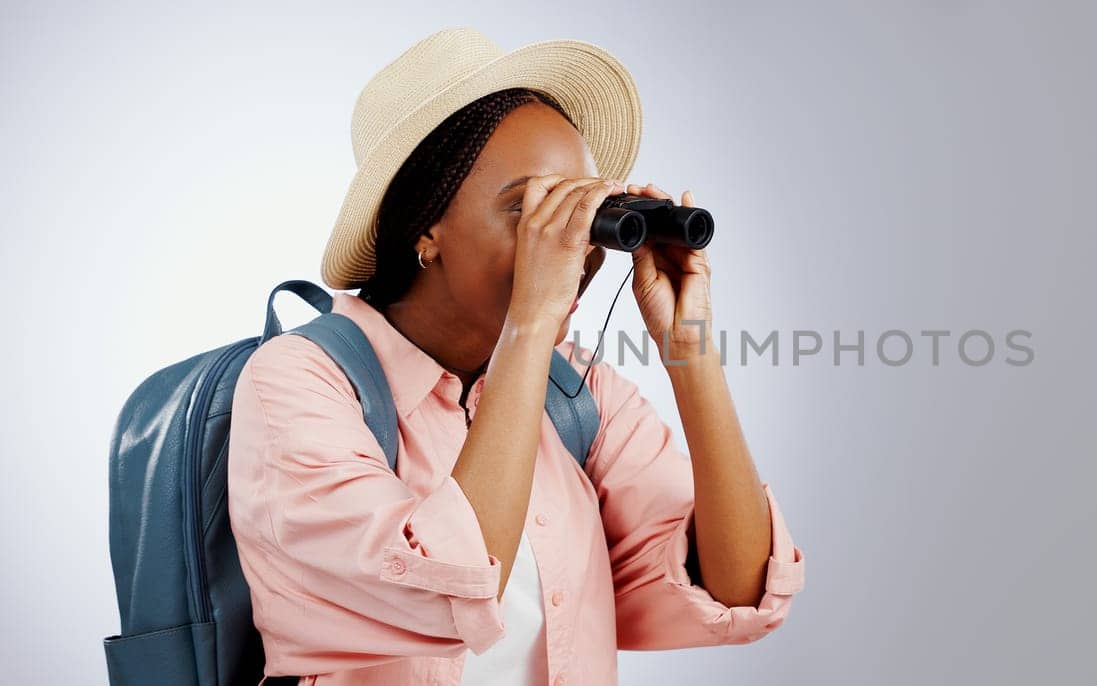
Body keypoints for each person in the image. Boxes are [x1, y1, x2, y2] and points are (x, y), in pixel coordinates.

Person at [227, 27, 805, 686]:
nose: (568, 246)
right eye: (530, 212)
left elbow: (739, 591)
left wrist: (689, 349)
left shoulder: (579, 396)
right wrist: (530, 322)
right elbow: (450, 596)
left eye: (581, 213)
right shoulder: (300, 383)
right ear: (427, 228)